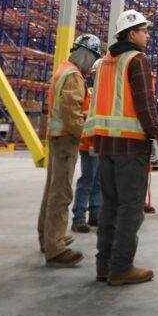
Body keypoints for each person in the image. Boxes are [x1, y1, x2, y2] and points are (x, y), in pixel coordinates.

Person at [84, 9, 158, 286]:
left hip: (105, 143)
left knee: (109, 205)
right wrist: (157, 134)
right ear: (132, 33)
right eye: (144, 31)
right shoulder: (137, 59)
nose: (148, 35)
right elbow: (145, 103)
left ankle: (104, 266)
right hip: (130, 145)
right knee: (130, 208)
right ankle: (121, 267)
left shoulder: (104, 62)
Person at [37, 33, 102, 266]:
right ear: (86, 54)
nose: (92, 65)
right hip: (65, 140)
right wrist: (88, 138)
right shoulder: (74, 75)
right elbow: (70, 112)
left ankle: (48, 237)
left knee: (52, 190)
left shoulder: (63, 68)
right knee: (62, 192)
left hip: (56, 138)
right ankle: (55, 249)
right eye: (93, 58)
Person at [71, 57, 103, 233]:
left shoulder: (106, 96)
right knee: (87, 181)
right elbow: (79, 120)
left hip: (102, 145)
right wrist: (87, 142)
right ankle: (79, 217)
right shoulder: (87, 95)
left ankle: (95, 214)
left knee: (99, 182)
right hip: (88, 146)